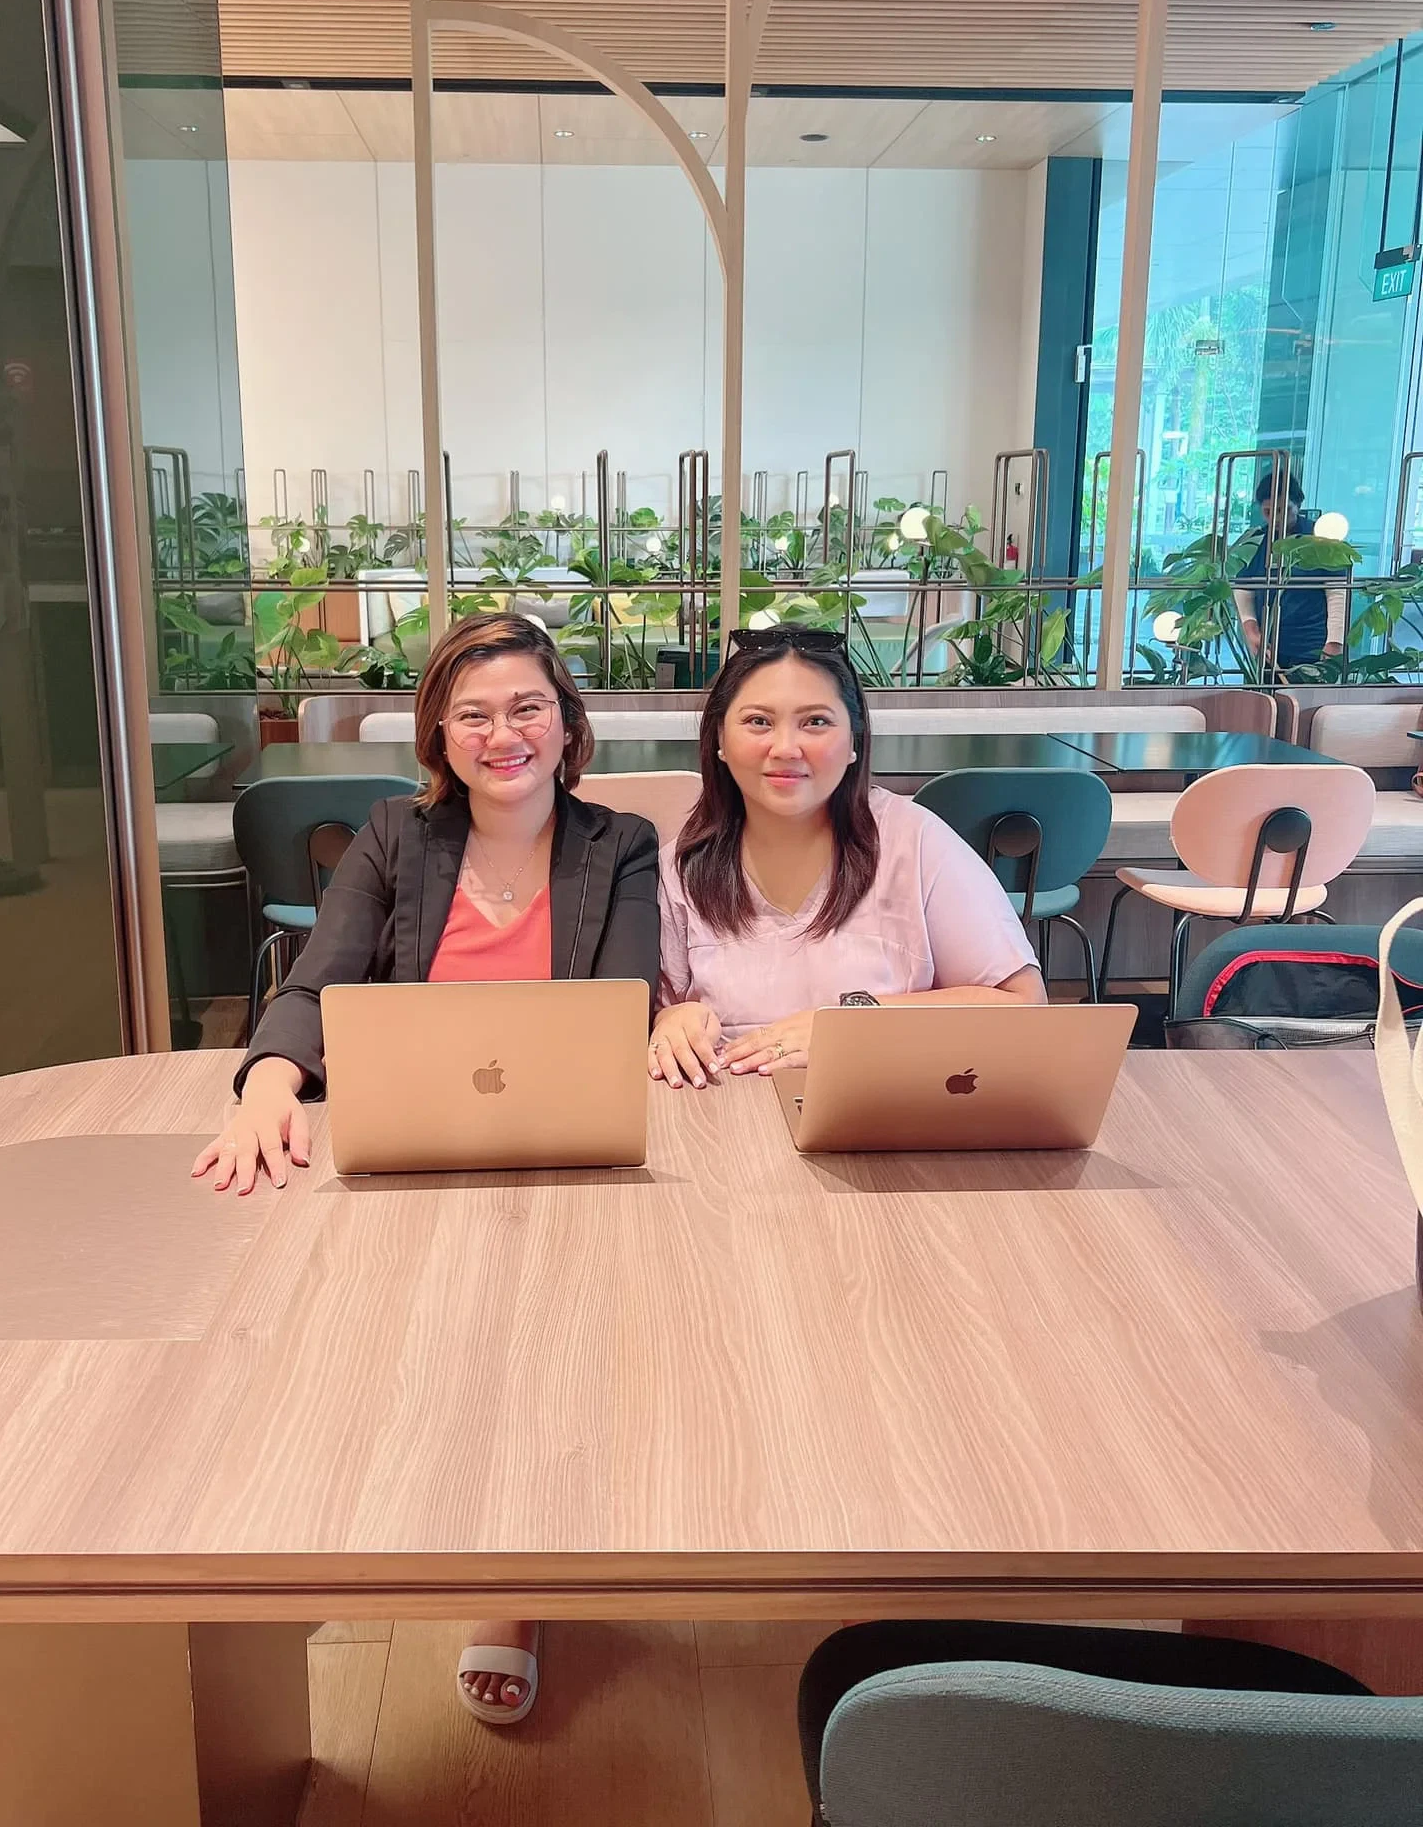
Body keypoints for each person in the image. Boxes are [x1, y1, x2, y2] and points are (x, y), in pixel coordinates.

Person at [193, 611, 660, 1729]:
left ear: (568, 722)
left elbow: (625, 1006)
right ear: (439, 735)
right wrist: (265, 1082)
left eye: (528, 706)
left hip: (563, 1143)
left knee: (530, 1322)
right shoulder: (395, 835)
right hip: (412, 1138)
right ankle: (340, 1535)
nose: (505, 733)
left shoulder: (620, 843)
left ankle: (506, 1588)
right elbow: (317, 982)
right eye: (475, 713)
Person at [649, 628, 1046, 1091]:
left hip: (887, 1115)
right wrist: (672, 1022)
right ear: (719, 739)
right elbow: (660, 1015)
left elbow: (1021, 1005)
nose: (785, 748)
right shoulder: (682, 867)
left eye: (816, 721)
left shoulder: (915, 843)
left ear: (854, 739)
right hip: (733, 1127)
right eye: (758, 721)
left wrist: (852, 1023)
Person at [1234, 469, 1345, 675]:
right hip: (1268, 643)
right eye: (1268, 511)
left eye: (1284, 510)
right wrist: (1251, 631)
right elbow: (1242, 588)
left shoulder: (1321, 539)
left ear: (1298, 506)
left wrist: (1334, 642)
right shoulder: (1255, 540)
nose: (1276, 518)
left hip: (1311, 642)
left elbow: (1337, 592)